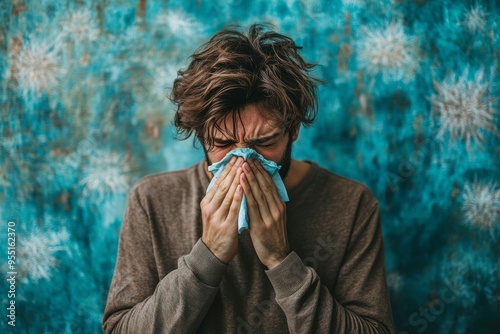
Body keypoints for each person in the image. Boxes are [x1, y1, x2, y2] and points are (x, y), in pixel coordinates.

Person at [102, 24, 395, 333]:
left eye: (264, 143)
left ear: (293, 130)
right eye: (224, 144)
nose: (243, 162)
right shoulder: (152, 201)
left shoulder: (352, 205)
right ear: (202, 136)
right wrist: (208, 255)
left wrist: (282, 262)